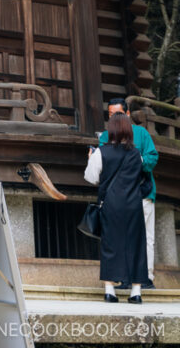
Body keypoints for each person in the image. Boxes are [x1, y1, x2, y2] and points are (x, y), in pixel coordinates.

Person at [85, 111, 150, 303]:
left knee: (110, 244)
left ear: (110, 130)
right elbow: (139, 177)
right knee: (136, 245)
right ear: (129, 130)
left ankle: (109, 290)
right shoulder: (136, 154)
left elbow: (91, 178)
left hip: (111, 204)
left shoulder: (101, 153)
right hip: (133, 204)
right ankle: (136, 292)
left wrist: (91, 158)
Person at [99, 99, 158, 288]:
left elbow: (152, 157)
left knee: (145, 237)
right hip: (116, 197)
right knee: (116, 237)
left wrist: (135, 162)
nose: (115, 118)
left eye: (118, 114)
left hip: (141, 191)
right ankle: (121, 277)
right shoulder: (105, 136)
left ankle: (146, 276)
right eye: (111, 114)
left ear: (128, 113)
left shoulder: (141, 133)